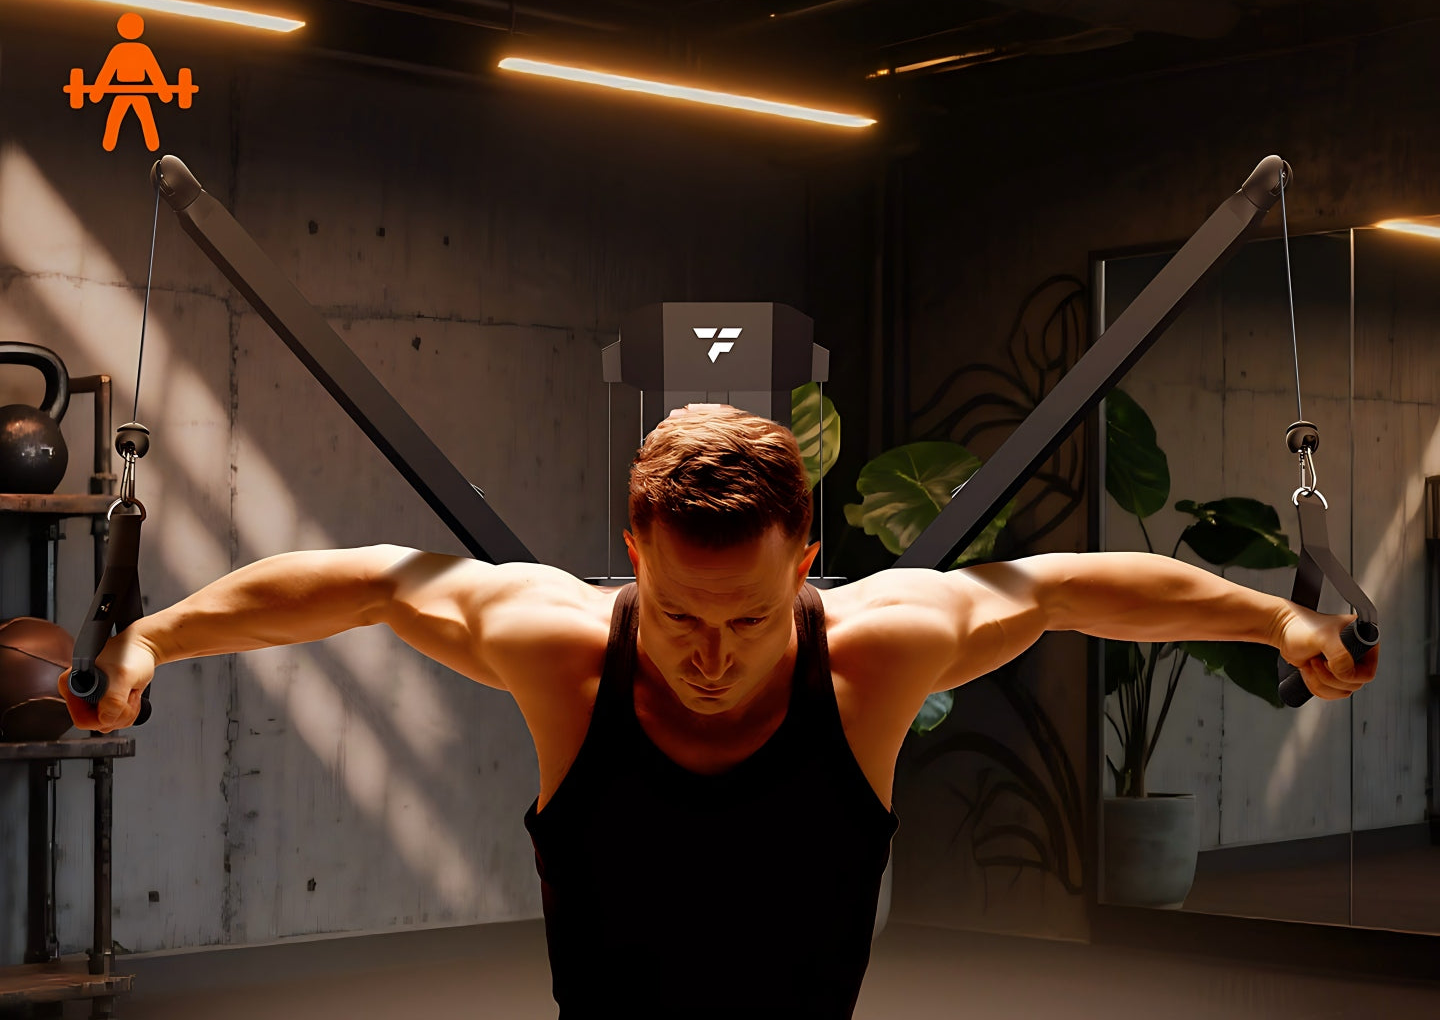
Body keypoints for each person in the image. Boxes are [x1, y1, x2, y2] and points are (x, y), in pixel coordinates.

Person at [60, 404, 1377, 1018]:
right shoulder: (557, 647)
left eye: (745, 621)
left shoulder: (876, 652)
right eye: (681, 617)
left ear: (803, 564)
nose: (706, 655)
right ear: (632, 556)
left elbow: (1063, 589)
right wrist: (160, 639)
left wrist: (1275, 619)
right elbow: (363, 586)